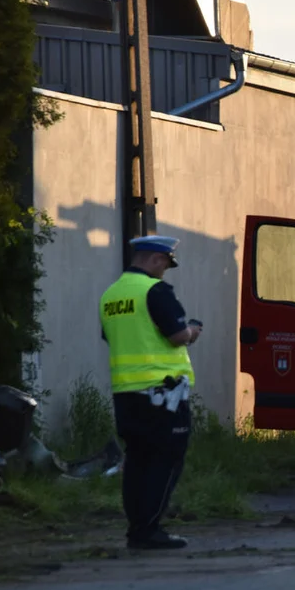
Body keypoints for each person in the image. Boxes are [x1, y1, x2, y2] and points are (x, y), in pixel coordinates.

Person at [100, 235, 200, 550]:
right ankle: (149, 530)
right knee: (165, 460)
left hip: (126, 392)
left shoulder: (111, 295)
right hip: (162, 394)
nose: (165, 271)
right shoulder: (155, 291)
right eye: (165, 265)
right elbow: (176, 336)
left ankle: (137, 529)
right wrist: (193, 331)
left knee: (138, 460)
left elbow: (112, 337)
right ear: (156, 259)